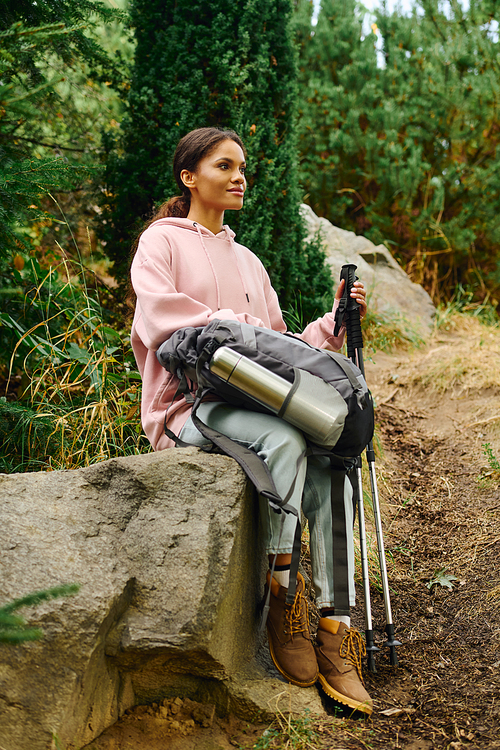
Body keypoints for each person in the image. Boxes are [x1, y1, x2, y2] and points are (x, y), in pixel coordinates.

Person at [130, 127, 372, 714]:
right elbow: (166, 327)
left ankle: (336, 625)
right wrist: (234, 326)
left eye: (243, 167)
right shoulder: (158, 245)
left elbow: (279, 345)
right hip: (190, 407)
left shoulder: (247, 259)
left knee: (335, 463)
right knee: (286, 438)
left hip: (254, 400)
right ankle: (284, 601)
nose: (240, 177)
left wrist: (332, 324)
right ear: (189, 178)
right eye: (225, 166)